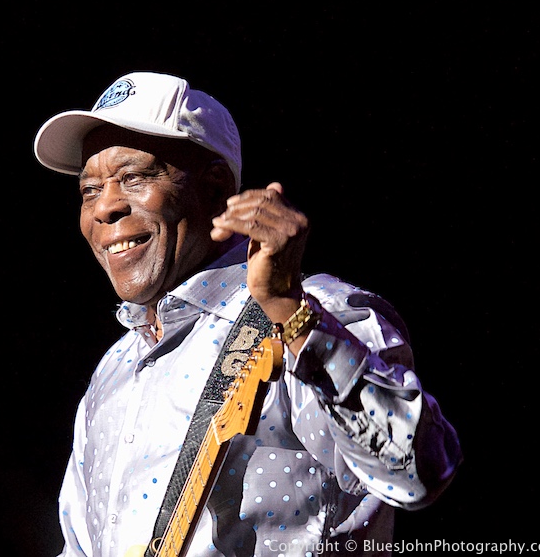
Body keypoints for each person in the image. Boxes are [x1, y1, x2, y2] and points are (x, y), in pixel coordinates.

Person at [33, 71, 462, 557]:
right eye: (89, 190)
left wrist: (292, 314)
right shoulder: (112, 371)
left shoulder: (309, 311)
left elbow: (418, 470)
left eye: (134, 178)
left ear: (216, 188)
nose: (105, 207)